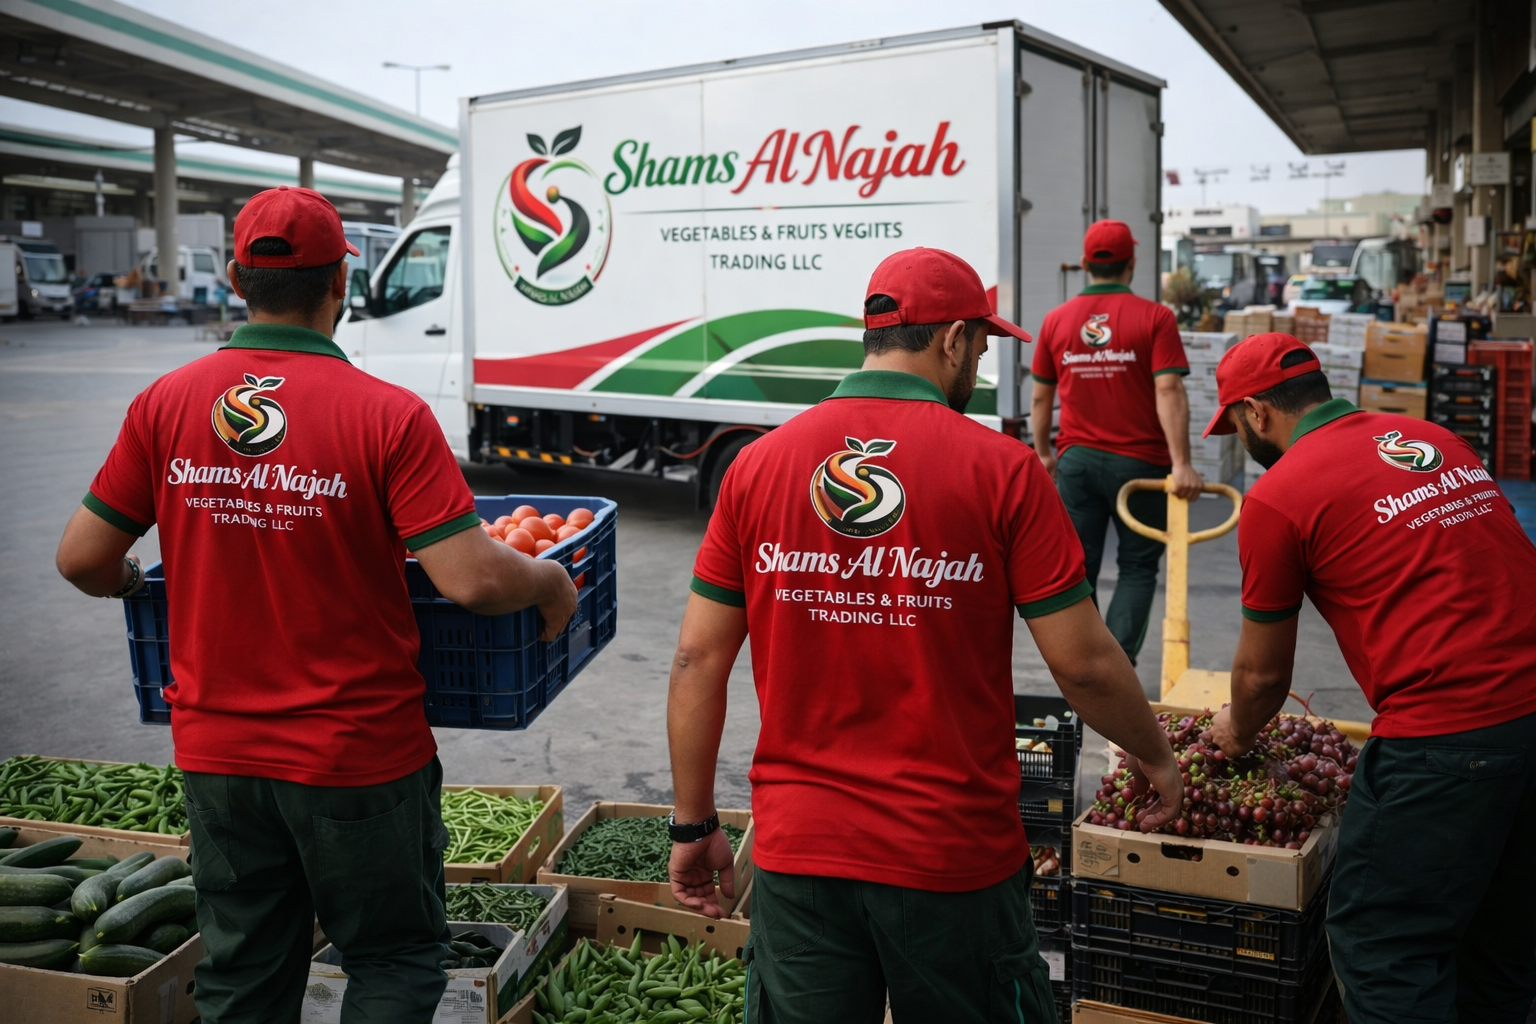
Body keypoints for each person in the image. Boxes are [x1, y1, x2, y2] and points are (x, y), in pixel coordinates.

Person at [54, 186, 578, 1024]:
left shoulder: (166, 403)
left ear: (233, 279)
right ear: (345, 279)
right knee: (394, 959)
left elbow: (83, 559)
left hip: (219, 757)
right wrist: (550, 581)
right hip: (355, 756)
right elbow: (473, 580)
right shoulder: (388, 416)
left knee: (245, 970)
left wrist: (130, 582)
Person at [665, 247, 1183, 1023]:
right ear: (952, 341)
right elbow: (1083, 665)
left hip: (799, 857)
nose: (978, 358)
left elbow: (696, 657)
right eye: (979, 342)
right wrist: (1154, 752)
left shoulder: (758, 466)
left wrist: (694, 822)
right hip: (949, 859)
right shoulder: (1004, 470)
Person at [1201, 332, 1536, 1024]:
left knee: (1383, 942)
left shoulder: (1279, 495)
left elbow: (1262, 678)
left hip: (1448, 736)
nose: (1239, 435)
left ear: (1257, 412)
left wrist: (1232, 731)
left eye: (1234, 421)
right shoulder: (1432, 438)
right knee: (1500, 943)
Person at [1029, 220, 1201, 665]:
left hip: (1078, 463)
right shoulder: (1156, 318)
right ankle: (1117, 665)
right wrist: (1182, 463)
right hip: (1140, 467)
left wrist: (1045, 453)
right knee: (1138, 566)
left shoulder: (1055, 321)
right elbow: (1168, 391)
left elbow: (1040, 396)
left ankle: (1082, 662)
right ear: (1133, 264)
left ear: (1086, 264)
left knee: (1077, 568)